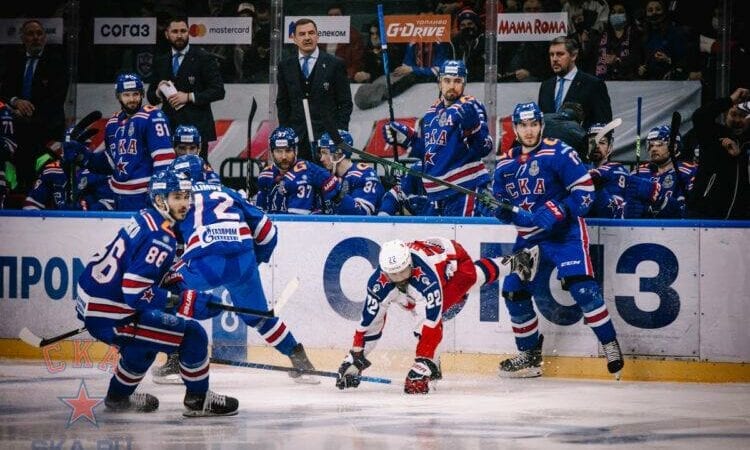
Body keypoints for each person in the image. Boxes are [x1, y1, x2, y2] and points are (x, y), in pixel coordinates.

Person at [75, 169, 238, 416]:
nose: (185, 203)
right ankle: (198, 399)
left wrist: (176, 285)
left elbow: (141, 270)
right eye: (177, 197)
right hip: (114, 314)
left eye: (186, 196)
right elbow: (134, 291)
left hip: (94, 302)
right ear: (160, 200)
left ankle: (118, 398)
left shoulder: (146, 217)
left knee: (144, 344)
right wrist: (183, 302)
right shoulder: (161, 237)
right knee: (193, 335)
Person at [153, 154, 320, 385]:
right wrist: (254, 262)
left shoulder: (180, 198)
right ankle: (301, 362)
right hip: (243, 261)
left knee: (164, 292)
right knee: (258, 316)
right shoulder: (229, 192)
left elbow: (163, 238)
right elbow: (268, 231)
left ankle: (174, 361)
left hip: (206, 262)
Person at [490, 102, 624, 379]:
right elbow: (502, 205)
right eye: (523, 125)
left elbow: (585, 193)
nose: (529, 131)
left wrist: (559, 209)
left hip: (565, 234)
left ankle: (610, 343)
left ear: (541, 125)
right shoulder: (504, 164)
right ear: (515, 128)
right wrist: (496, 208)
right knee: (513, 291)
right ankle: (529, 355)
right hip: (529, 240)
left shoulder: (560, 152)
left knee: (582, 289)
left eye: (534, 124)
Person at [335, 237, 540, 394]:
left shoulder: (427, 280)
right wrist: (355, 358)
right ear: (383, 270)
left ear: (410, 264)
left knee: (468, 278)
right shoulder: (378, 283)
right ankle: (517, 261)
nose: (398, 279)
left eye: (402, 272)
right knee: (420, 311)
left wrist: (422, 364)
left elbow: (432, 324)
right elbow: (370, 322)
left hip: (454, 257)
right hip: (435, 256)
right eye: (393, 274)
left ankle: (431, 363)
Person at [384, 60, 492, 216]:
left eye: (457, 81)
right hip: (437, 195)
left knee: (462, 233)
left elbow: (485, 148)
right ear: (440, 82)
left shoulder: (470, 106)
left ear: (464, 83)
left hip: (464, 189)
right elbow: (432, 155)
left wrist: (474, 130)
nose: (452, 86)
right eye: (447, 80)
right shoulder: (432, 112)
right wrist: (409, 140)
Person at [63, 73, 176, 211]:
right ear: (118, 96)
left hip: (143, 197)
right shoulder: (112, 123)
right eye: (126, 95)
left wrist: (158, 193)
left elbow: (165, 160)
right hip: (118, 198)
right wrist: (84, 157)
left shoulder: (153, 117)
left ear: (142, 94)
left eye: (135, 94)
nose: (132, 99)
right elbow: (110, 162)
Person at [0, 19, 68, 192]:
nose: (36, 37)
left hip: (47, 130)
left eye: (39, 33)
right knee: (18, 181)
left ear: (44, 37)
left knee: (44, 181)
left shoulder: (57, 62)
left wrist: (27, 115)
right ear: (23, 38)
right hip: (18, 130)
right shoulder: (13, 61)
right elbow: (5, 90)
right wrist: (16, 101)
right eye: (30, 34)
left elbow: (56, 100)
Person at [146, 16, 225, 160]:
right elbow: (151, 97)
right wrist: (158, 92)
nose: (179, 35)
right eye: (175, 31)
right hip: (169, 129)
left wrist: (189, 96)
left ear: (189, 32)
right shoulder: (161, 61)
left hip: (197, 127)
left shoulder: (204, 58)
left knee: (196, 169)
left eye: (183, 31)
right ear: (167, 34)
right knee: (169, 169)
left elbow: (218, 91)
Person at [276, 18, 353, 161]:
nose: (307, 37)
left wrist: (339, 133)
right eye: (302, 34)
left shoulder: (335, 64)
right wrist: (287, 132)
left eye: (311, 33)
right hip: (297, 140)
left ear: (318, 36)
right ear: (294, 38)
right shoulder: (285, 66)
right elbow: (282, 103)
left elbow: (345, 103)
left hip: (328, 141)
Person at [686, 88, 749, 219]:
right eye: (733, 114)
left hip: (740, 218)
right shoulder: (713, 134)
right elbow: (700, 116)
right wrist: (730, 100)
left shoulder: (747, 143)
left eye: (743, 116)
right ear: (725, 114)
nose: (737, 120)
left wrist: (739, 156)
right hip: (704, 213)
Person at [255, 127, 343, 214]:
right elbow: (259, 214)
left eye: (288, 150)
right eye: (278, 151)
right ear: (272, 153)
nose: (284, 156)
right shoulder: (265, 176)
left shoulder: (303, 174)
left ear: (296, 150)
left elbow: (296, 220)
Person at [584, 123, 660, 218]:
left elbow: (613, 212)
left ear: (610, 147)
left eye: (602, 142)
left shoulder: (616, 172)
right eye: (592, 142)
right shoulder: (580, 168)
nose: (596, 146)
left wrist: (598, 187)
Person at [538, 36, 612, 128]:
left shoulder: (593, 84)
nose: (554, 59)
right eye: (551, 55)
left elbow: (604, 124)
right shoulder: (546, 86)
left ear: (573, 56)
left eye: (560, 54)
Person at [631, 125, 697, 218]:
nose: (653, 149)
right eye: (651, 145)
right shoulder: (638, 173)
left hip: (672, 226)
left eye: (659, 144)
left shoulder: (688, 172)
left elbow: (690, 211)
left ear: (674, 147)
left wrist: (661, 200)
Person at [317, 130, 384, 215]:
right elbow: (321, 210)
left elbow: (361, 214)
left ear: (339, 153)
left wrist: (337, 194)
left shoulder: (364, 175)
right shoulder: (329, 176)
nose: (321, 159)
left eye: (325, 153)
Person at [594, 0, 643, 80]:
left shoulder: (635, 34)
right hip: (605, 80)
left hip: (629, 80)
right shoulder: (601, 36)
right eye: (613, 12)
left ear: (627, 15)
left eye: (620, 12)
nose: (616, 15)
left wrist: (618, 60)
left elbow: (638, 58)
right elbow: (594, 59)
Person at [321, 4, 365, 81]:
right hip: (323, 74)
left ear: (344, 17)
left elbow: (357, 61)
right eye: (330, 15)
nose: (333, 18)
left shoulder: (353, 35)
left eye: (337, 15)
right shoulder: (320, 34)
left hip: (344, 75)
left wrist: (345, 75)